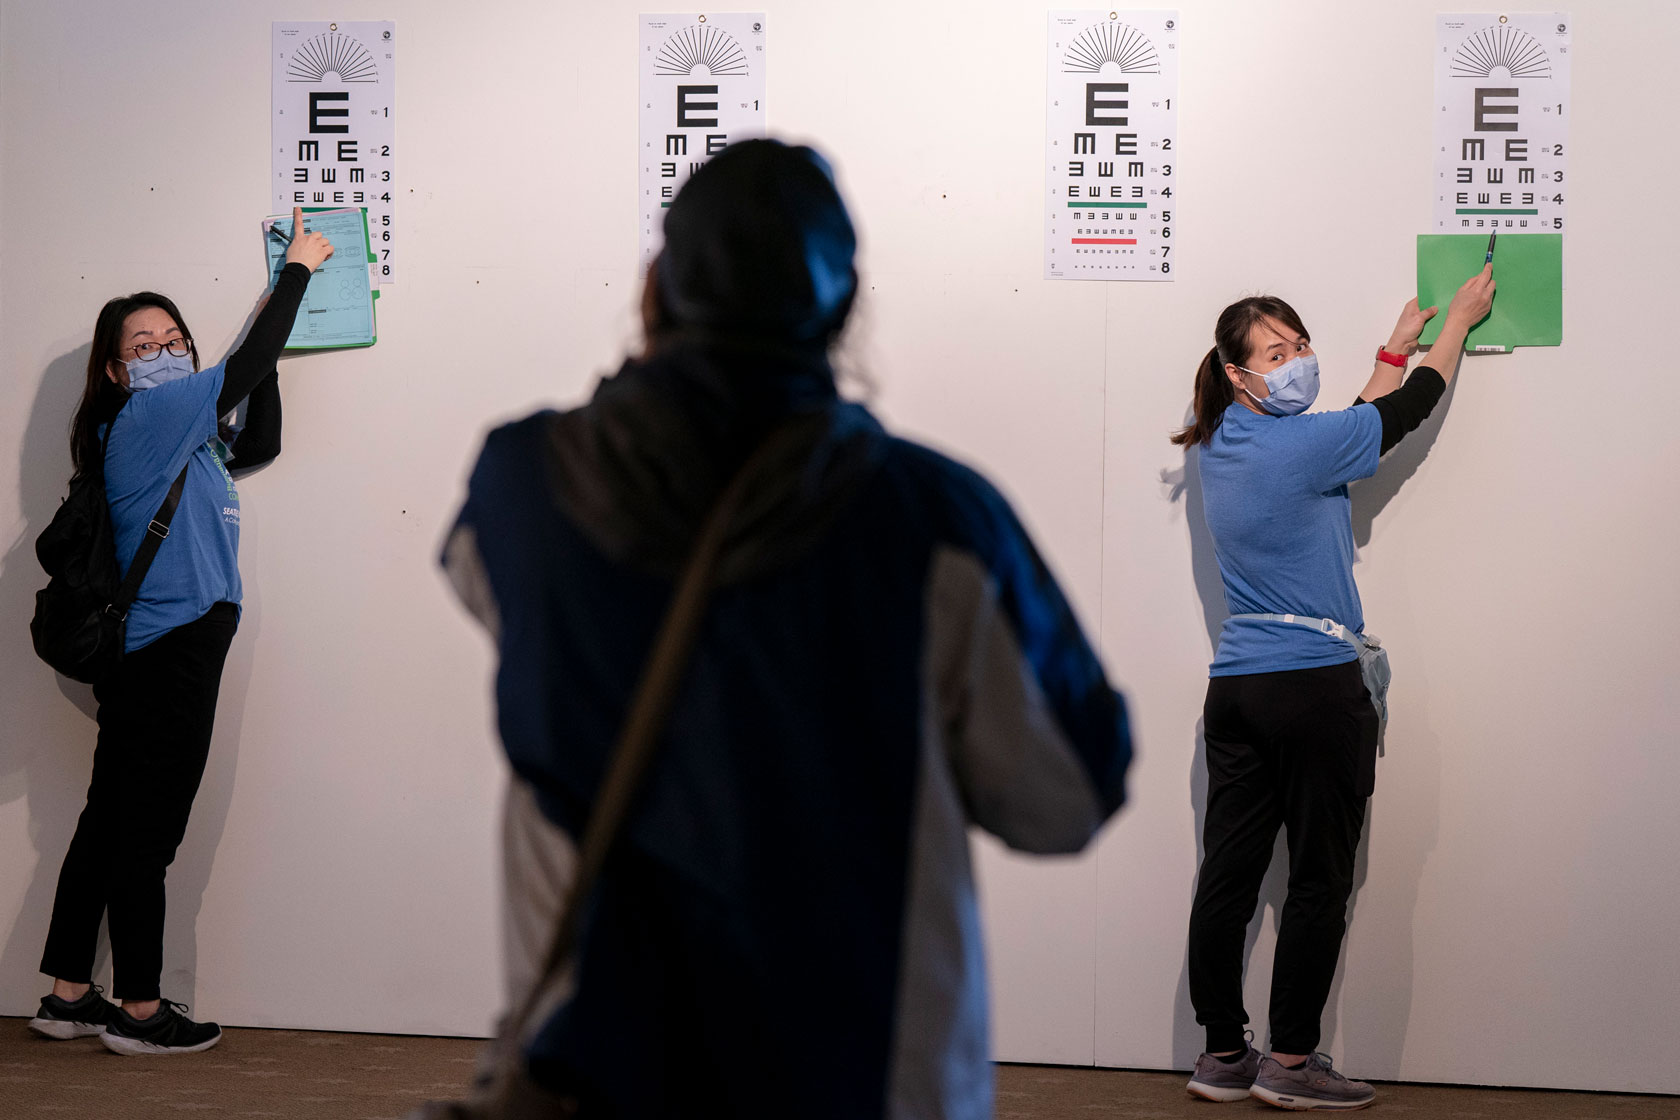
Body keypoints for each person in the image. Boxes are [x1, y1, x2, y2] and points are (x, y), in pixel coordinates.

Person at [440, 139, 1133, 1119]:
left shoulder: (522, 489)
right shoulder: (935, 519)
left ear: (655, 289)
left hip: (599, 1075)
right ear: (842, 313)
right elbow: (1067, 798)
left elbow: (485, 587)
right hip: (863, 1078)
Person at [1172, 266, 1495, 1110]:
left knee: (1228, 876)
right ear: (1237, 373)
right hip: (1313, 689)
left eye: (1301, 344)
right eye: (1276, 354)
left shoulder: (1222, 445)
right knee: (1319, 879)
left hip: (1236, 691)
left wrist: (1393, 346)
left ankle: (1221, 1056)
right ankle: (1290, 1063)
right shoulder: (1300, 446)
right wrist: (1456, 325)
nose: (1297, 361)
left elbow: (1350, 428)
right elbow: (1405, 410)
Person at [27, 208, 334, 1055]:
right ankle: (140, 1010)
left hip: (152, 651)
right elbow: (245, 369)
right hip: (172, 650)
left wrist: (258, 344)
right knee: (149, 832)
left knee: (108, 822)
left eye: (173, 340)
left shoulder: (186, 435)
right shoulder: (151, 418)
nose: (162, 351)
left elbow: (260, 436)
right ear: (116, 370)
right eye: (142, 345)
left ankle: (67, 994)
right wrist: (297, 272)